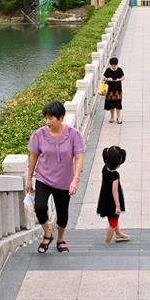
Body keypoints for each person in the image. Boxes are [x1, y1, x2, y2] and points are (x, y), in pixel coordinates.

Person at [25, 101, 85, 253]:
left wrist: (75, 180)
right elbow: (33, 157)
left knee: (62, 213)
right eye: (45, 118)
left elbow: (79, 157)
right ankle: (47, 233)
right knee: (39, 207)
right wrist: (29, 178)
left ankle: (60, 239)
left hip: (64, 181)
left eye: (51, 118)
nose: (47, 121)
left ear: (61, 118)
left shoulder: (73, 135)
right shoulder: (39, 134)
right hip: (43, 177)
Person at [97, 145, 129, 243]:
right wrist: (118, 206)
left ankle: (118, 233)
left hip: (105, 198)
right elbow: (115, 191)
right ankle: (107, 242)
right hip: (112, 202)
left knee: (112, 219)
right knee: (113, 223)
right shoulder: (115, 175)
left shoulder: (104, 168)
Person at [103, 57, 125, 124]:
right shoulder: (108, 70)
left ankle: (118, 117)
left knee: (118, 104)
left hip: (118, 90)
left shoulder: (119, 70)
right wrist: (107, 79)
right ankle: (112, 117)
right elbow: (104, 77)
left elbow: (123, 77)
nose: (114, 66)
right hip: (110, 90)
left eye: (115, 65)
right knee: (111, 104)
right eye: (112, 65)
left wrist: (119, 79)